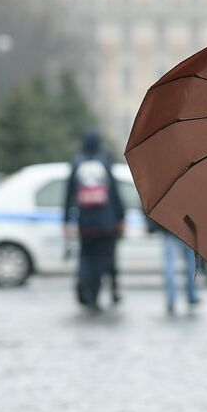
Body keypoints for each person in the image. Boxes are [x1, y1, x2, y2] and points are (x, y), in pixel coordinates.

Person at [64, 129, 126, 310]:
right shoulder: (104, 162)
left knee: (85, 256)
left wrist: (66, 220)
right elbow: (114, 193)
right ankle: (94, 295)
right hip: (106, 222)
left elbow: (68, 195)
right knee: (101, 260)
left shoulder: (76, 163)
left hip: (85, 222)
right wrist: (121, 217)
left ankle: (84, 283)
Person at [151, 218, 200, 315]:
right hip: (187, 230)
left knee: (171, 267)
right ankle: (190, 295)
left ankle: (172, 298)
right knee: (190, 265)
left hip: (171, 230)